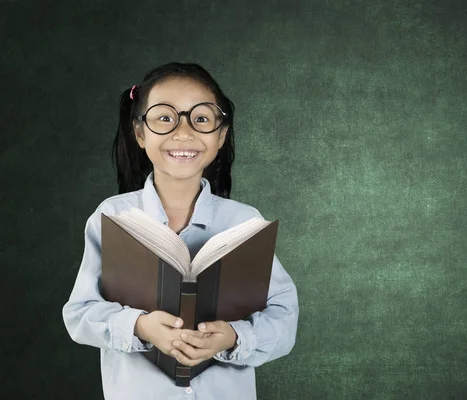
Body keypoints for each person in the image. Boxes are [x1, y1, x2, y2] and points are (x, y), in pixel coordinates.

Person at [62, 62, 299, 399]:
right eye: (165, 117)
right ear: (140, 133)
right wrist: (141, 326)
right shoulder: (112, 216)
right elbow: (79, 313)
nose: (183, 133)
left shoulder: (244, 222)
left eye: (201, 118)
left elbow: (284, 316)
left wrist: (233, 337)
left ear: (221, 134)